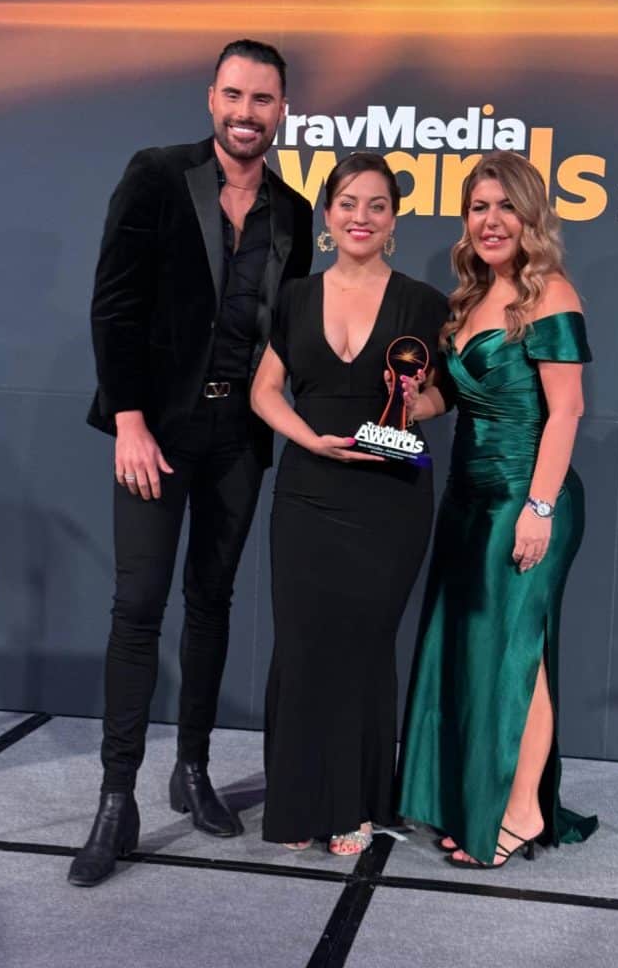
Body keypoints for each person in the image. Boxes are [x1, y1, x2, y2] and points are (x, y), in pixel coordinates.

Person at [68, 40, 313, 887]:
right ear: (212, 98)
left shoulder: (294, 209)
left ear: (283, 109)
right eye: (234, 96)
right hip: (156, 435)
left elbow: (289, 340)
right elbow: (114, 304)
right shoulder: (156, 174)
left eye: (264, 99)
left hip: (239, 441)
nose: (247, 114)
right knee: (137, 609)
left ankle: (194, 770)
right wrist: (129, 420)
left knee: (211, 604)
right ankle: (116, 798)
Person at [398, 151, 598, 867]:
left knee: (520, 654)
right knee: (474, 653)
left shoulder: (551, 295)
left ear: (530, 215)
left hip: (526, 497)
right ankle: (471, 799)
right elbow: (445, 401)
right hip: (465, 500)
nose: (490, 221)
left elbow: (567, 410)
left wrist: (538, 508)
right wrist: (403, 399)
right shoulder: (466, 300)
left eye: (504, 207)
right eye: (478, 208)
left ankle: (516, 813)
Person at [250, 153, 448, 855]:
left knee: (363, 649)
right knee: (303, 645)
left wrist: (411, 404)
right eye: (347, 203)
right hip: (307, 490)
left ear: (393, 220)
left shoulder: (422, 300)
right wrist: (310, 439)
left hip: (388, 497)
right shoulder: (297, 295)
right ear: (327, 215)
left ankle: (354, 803)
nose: (360, 217)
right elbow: (264, 389)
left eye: (376, 205)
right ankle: (299, 803)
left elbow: (441, 391)